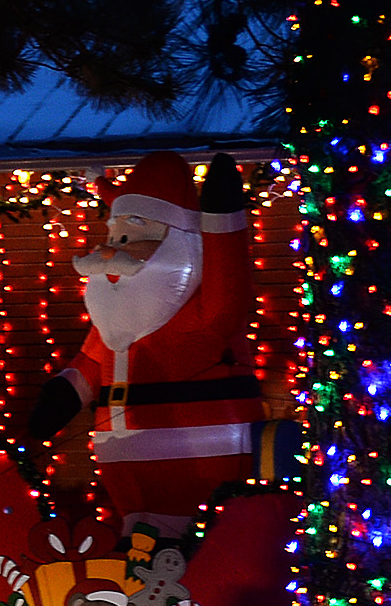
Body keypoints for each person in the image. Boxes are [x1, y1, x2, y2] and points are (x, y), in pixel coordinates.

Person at [23, 151, 260, 531]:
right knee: (140, 544)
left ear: (182, 247)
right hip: (121, 464)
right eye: (115, 236)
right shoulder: (111, 322)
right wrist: (63, 396)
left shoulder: (205, 313)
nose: (108, 251)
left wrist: (221, 219)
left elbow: (230, 281)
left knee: (204, 544)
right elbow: (88, 366)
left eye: (132, 237)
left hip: (205, 456)